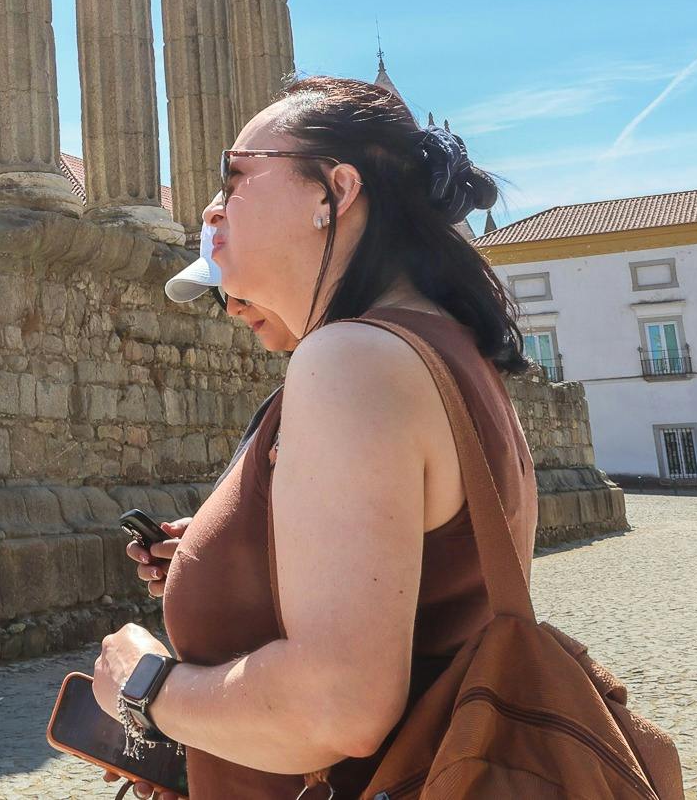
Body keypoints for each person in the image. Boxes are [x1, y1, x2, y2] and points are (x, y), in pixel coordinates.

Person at [95, 75, 529, 798]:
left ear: (333, 191)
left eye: (235, 177)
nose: (211, 208)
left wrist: (145, 690)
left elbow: (338, 705)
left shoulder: (350, 359)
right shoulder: (442, 348)